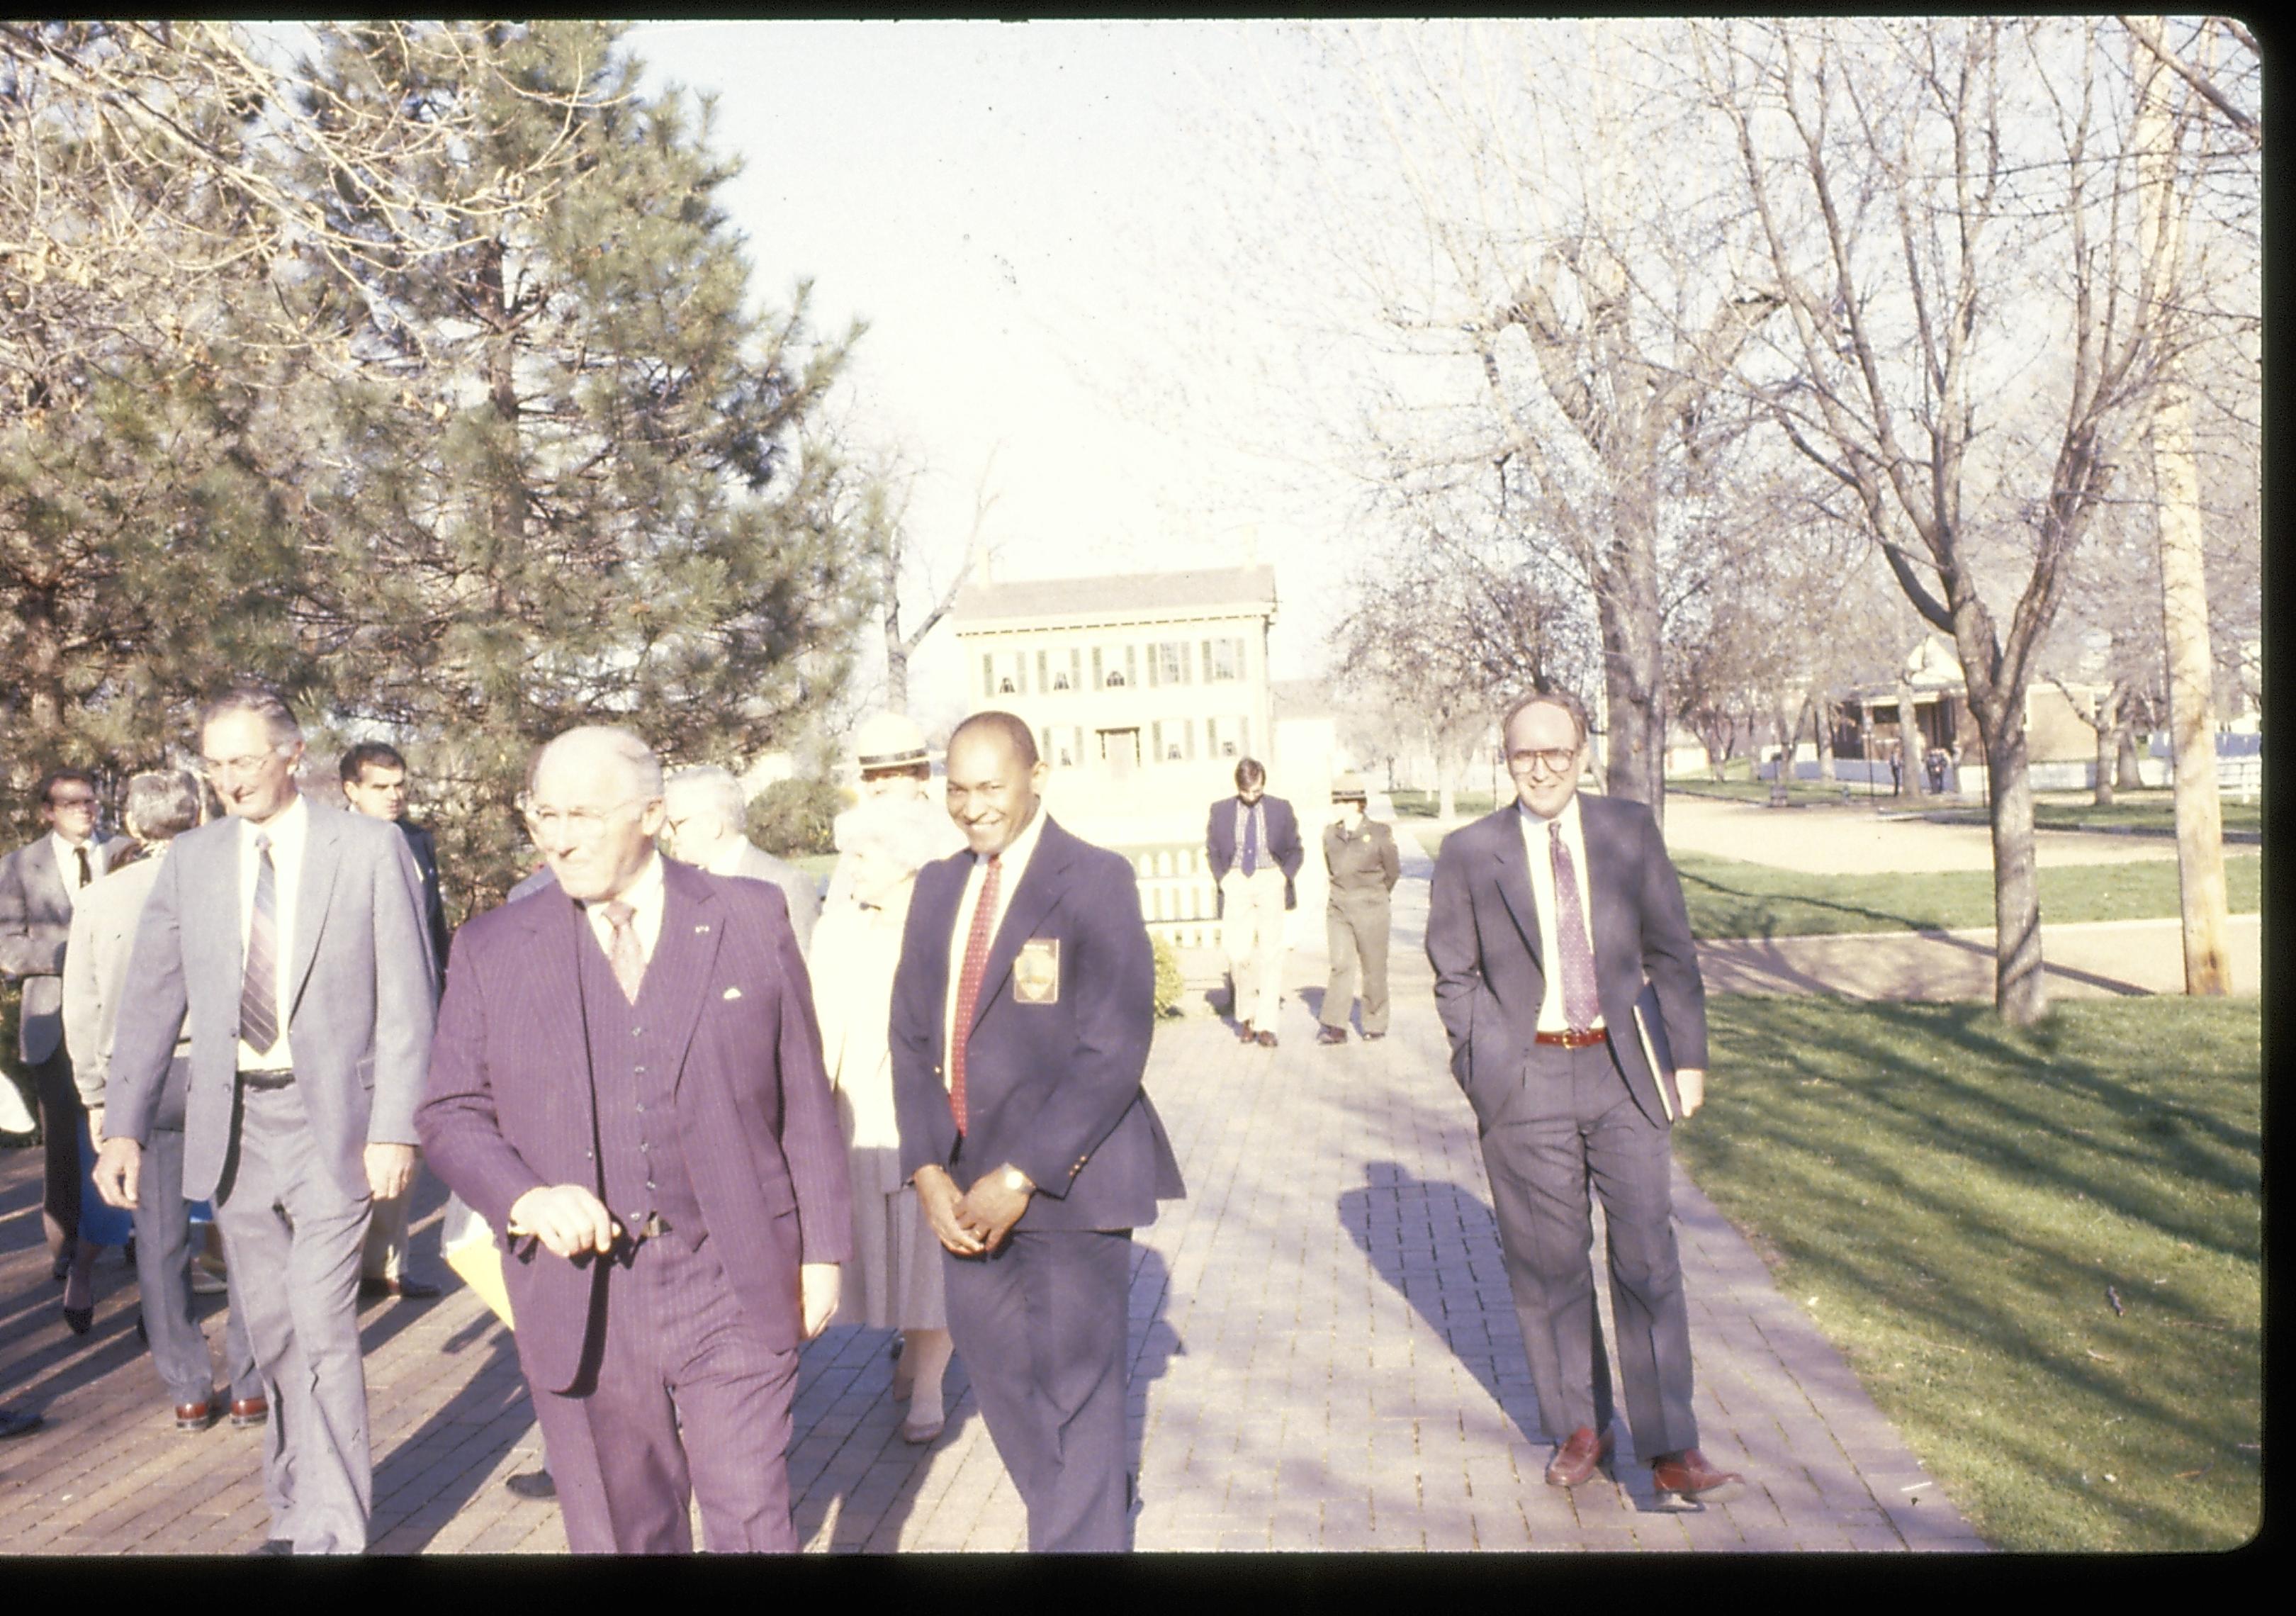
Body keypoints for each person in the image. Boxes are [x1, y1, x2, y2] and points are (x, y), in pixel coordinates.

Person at [417, 724, 850, 1554]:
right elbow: (449, 1111)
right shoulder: (494, 947)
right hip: (584, 1296)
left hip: (732, 1274)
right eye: (543, 812)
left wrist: (823, 1250)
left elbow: (802, 1092)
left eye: (582, 812)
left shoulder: (747, 916)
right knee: (625, 1533)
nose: (557, 835)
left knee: (754, 1516)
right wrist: (526, 1196)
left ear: (651, 815)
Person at [96, 685, 439, 1555]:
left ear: (293, 753)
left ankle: (329, 1528)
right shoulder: (195, 859)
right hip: (234, 1129)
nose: (227, 781)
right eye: (213, 765)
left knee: (321, 1322)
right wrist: (122, 1126)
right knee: (275, 1327)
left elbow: (409, 999)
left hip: (336, 1125)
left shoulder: (366, 849)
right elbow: (148, 1001)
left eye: (244, 760)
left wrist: (397, 1125)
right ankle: (294, 1502)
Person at [1425, 690, 1744, 1504]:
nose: (1541, 770)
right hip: (1524, 1079)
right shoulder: (1469, 852)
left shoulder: (1627, 832)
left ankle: (1671, 1445)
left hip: (1623, 1072)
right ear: (1507, 760)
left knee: (1646, 1253)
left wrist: (1689, 1060)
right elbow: (1452, 973)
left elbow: (1673, 953)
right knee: (1548, 1264)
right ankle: (1581, 1425)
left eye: (1556, 754)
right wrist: (1483, 1064)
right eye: (1525, 756)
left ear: (1583, 754)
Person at [889, 711, 1186, 1552]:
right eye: (957, 788)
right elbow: (909, 1039)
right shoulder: (939, 886)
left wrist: (1018, 1176)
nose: (973, 806)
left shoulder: (1094, 879)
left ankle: (1081, 1535)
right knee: (1005, 1387)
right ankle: (1087, 1513)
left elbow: (1114, 1048)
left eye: (991, 786)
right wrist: (926, 1171)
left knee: (1079, 1400)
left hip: (1068, 1184)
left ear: (1037, 776)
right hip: (959, 1191)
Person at [64, 768, 261, 1429]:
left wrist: (97, 1097)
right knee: (245, 1226)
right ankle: (252, 1381)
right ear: (198, 813)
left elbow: (84, 1009)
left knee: (158, 1236)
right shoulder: (229, 886)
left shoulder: (101, 899)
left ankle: (186, 1385)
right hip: (220, 1071)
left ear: (136, 824)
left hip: (139, 1081)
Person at [811, 792, 955, 1444]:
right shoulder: (841, 925)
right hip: (855, 1113)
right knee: (879, 1251)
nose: (853, 868)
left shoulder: (945, 930)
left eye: (864, 854)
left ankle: (928, 1388)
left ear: (904, 861)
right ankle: (907, 1357)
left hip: (922, 1114)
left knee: (931, 1256)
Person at [1, 768, 133, 1328]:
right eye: (71, 802)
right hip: (54, 1021)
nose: (86, 809)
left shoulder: (127, 852)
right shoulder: (18, 866)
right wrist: (76, 958)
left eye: (91, 800)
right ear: (47, 811)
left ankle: (131, 1235)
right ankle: (65, 1248)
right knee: (63, 1141)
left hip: (121, 1022)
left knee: (126, 1128)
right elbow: (8, 948)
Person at [339, 741, 449, 1303]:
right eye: (380, 786)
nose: (394, 794)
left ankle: (388, 1264)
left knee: (403, 1131)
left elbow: (433, 931)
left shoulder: (417, 840)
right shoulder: (329, 846)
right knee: (354, 1138)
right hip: (355, 1014)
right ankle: (346, 1261)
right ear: (351, 790)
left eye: (400, 784)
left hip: (414, 1009)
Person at [662, 764, 823, 955]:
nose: (665, 834)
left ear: (711, 825)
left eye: (673, 824)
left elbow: (806, 976)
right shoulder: (682, 890)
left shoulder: (786, 885)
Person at [1204, 758, 1302, 1047]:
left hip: (1269, 879)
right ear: (1239, 787)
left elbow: (1297, 849)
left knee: (1272, 954)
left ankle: (1266, 1024)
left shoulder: (1280, 809)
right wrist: (1224, 879)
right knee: (1238, 954)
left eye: (1257, 791)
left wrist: (1283, 876)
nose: (1252, 797)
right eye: (1247, 792)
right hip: (1236, 881)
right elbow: (1212, 850)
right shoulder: (1220, 811)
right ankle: (1245, 1015)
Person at [1317, 772, 1400, 1046]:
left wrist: (1374, 895)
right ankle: (1335, 1025)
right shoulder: (1330, 834)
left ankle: (1374, 1021)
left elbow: (1392, 872)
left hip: (1372, 908)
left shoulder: (1379, 833)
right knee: (1340, 964)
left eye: (1339, 801)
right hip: (1339, 907)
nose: (1335, 807)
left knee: (1373, 967)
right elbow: (1333, 869)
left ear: (1354, 803)